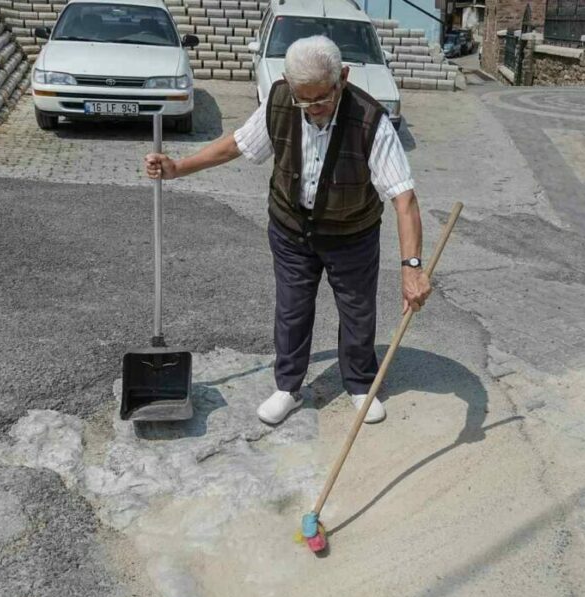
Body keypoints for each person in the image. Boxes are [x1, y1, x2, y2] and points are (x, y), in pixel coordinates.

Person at [145, 35, 430, 425]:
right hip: (291, 228)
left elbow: (404, 199)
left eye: (321, 99)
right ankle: (288, 387)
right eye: (304, 100)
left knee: (357, 311)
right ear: (289, 83)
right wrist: (179, 167)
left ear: (342, 78)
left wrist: (411, 267)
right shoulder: (280, 100)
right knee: (293, 309)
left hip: (352, 234)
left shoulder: (370, 120)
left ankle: (361, 384)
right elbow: (235, 145)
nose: (312, 110)